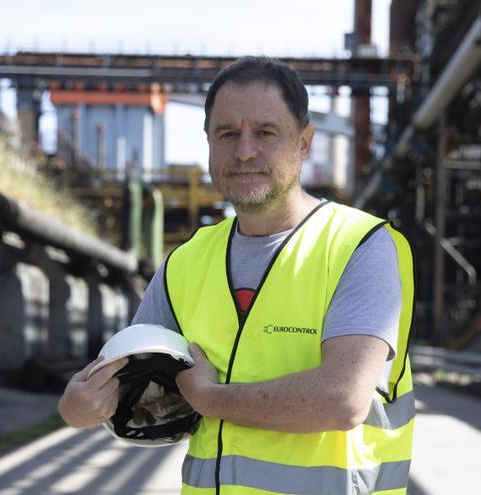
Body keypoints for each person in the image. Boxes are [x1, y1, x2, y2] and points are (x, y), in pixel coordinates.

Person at [58, 56, 415, 494]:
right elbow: (136, 383)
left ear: (304, 142)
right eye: (227, 134)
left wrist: (209, 398)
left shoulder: (359, 246)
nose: (244, 151)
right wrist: (83, 406)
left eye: (265, 133)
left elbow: (341, 400)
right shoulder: (187, 261)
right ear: (208, 142)